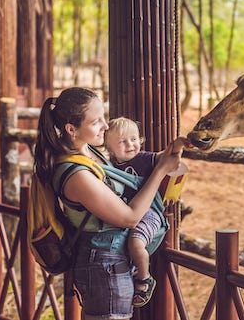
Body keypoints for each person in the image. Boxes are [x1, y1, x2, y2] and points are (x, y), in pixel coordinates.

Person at [33, 87, 183, 320]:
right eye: (96, 122)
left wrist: (164, 156)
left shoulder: (89, 151)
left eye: (104, 117)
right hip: (104, 267)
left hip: (112, 260)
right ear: (71, 129)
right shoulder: (75, 174)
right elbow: (129, 217)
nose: (105, 126)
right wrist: (162, 169)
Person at [104, 117, 190, 307]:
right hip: (125, 214)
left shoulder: (143, 159)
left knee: (135, 244)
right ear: (109, 148)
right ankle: (133, 269)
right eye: (122, 141)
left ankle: (144, 278)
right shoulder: (108, 166)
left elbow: (167, 155)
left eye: (134, 139)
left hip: (148, 213)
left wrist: (178, 144)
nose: (130, 145)